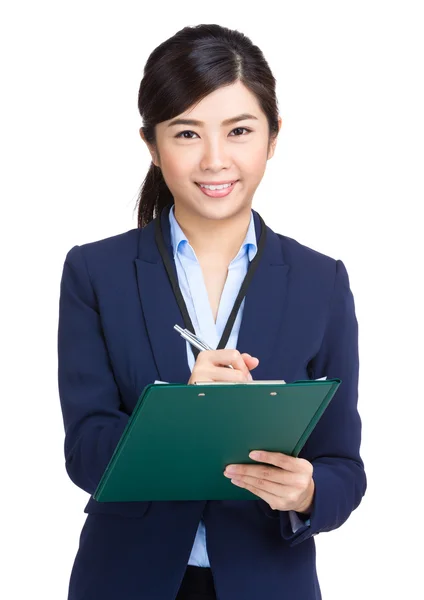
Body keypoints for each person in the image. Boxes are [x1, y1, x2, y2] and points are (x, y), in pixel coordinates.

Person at [57, 23, 367, 600]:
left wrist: (308, 493)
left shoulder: (322, 282)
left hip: (269, 580)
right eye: (186, 134)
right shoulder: (95, 273)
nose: (215, 160)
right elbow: (85, 453)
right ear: (152, 145)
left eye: (240, 130)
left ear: (273, 138)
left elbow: (343, 467)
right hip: (126, 581)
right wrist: (178, 408)